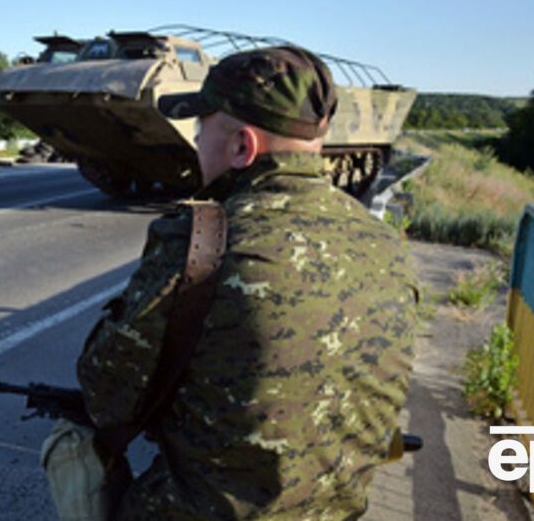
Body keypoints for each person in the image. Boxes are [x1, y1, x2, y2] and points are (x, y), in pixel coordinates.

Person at [75, 46, 418, 520]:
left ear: (242, 147)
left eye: (201, 132)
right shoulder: (388, 247)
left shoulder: (200, 241)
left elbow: (105, 392)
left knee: (70, 459)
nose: (196, 146)